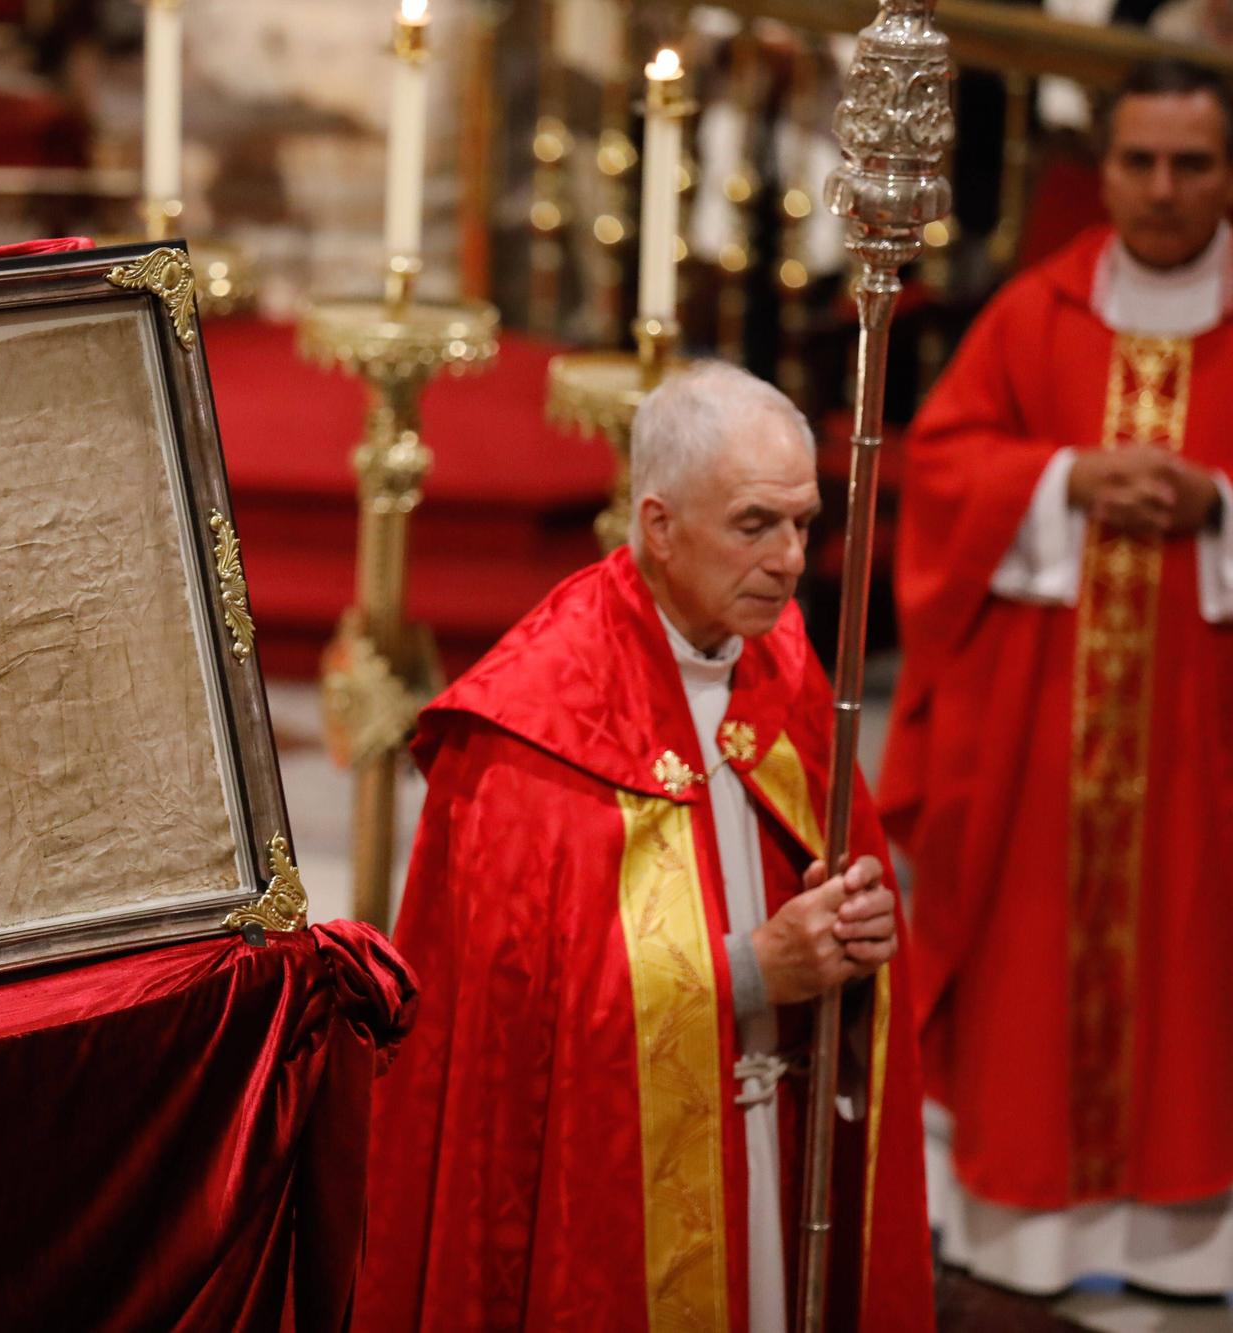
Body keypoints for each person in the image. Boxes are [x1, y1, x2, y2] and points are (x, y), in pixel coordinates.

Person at [358, 363, 934, 1332]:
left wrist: (859, 928)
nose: (792, 560)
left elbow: (833, 883)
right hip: (601, 1213)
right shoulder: (533, 726)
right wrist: (753, 971)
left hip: (770, 1150)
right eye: (755, 525)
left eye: (803, 523)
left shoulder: (785, 670)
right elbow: (512, 1038)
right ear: (658, 525)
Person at [884, 58, 1233, 1295]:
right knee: (1032, 970)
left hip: (1205, 745)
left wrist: (1217, 507)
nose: (1158, 189)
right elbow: (937, 467)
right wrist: (1062, 480)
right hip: (1044, 742)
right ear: (1105, 165)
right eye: (1136, 161)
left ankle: (1195, 1245)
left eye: (1189, 163)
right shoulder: (1037, 312)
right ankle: (1027, 1231)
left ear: (1226, 169)